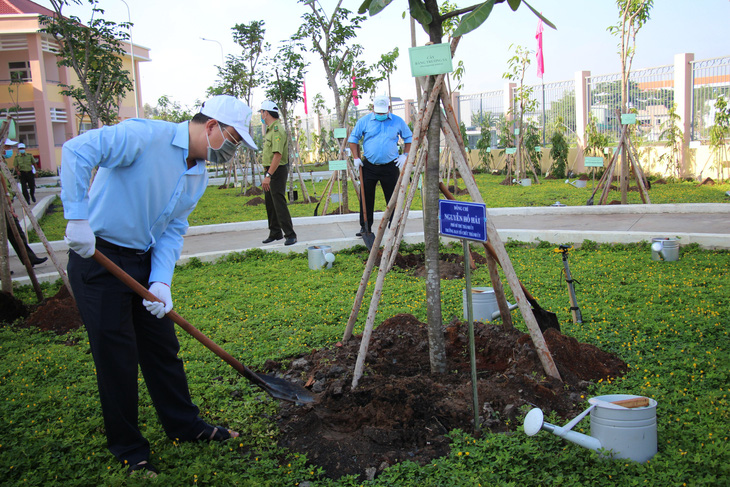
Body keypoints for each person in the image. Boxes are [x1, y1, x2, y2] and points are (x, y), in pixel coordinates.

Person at [61, 95, 257, 477]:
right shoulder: (144, 135)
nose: (232, 151)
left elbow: (173, 228)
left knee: (162, 348)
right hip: (99, 258)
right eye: (233, 139)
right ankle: (130, 450)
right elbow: (76, 150)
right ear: (212, 126)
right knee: (116, 359)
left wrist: (161, 280)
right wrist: (76, 217)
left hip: (144, 261)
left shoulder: (197, 171)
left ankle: (184, 425)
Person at [348, 95, 412, 236]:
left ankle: (393, 225)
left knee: (392, 197)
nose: (381, 115)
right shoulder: (364, 121)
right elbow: (353, 139)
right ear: (373, 109)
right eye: (378, 112)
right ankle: (365, 226)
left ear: (388, 109)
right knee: (366, 197)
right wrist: (356, 158)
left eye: (383, 112)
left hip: (390, 165)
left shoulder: (397, 121)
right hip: (369, 166)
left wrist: (405, 155)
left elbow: (409, 138)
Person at [259, 100, 297, 246]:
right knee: (270, 202)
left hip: (276, 170)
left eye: (262, 112)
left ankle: (290, 234)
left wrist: (268, 175)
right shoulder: (270, 129)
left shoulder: (277, 130)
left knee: (278, 202)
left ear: (266, 112)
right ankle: (275, 232)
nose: (261, 115)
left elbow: (277, 155)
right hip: (271, 170)